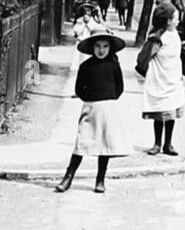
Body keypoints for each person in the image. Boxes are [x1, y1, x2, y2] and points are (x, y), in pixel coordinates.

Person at [56, 28, 130, 193]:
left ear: (110, 48)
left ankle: (100, 179)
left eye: (105, 46)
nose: (101, 50)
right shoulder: (86, 66)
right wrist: (90, 100)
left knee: (104, 146)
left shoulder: (114, 65)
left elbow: (119, 88)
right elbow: (79, 89)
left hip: (108, 109)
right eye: (97, 46)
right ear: (92, 47)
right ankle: (68, 176)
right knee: (82, 142)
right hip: (90, 109)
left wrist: (107, 100)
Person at [139, 0, 185, 155]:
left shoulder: (175, 35)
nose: (178, 21)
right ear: (167, 21)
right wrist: (147, 72)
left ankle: (168, 143)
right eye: (175, 18)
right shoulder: (157, 38)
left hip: (173, 77)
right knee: (159, 112)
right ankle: (157, 143)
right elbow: (146, 57)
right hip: (160, 77)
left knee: (171, 111)